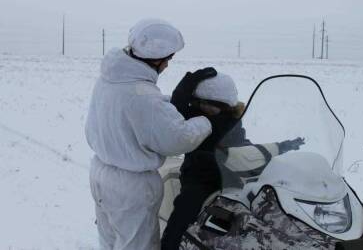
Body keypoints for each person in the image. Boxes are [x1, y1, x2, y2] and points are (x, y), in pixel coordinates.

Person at [85, 18, 217, 250]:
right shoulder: (143, 95)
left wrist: (168, 106)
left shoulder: (110, 78)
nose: (167, 65)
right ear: (155, 57)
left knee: (110, 241)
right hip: (131, 187)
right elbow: (178, 139)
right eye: (168, 58)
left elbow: (136, 113)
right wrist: (206, 121)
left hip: (101, 173)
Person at [161, 72, 305, 250]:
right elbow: (176, 112)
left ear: (227, 106)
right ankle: (170, 245)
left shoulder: (231, 121)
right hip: (200, 179)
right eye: (202, 104)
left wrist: (280, 147)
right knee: (184, 212)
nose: (207, 111)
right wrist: (187, 83)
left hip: (232, 176)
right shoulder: (193, 117)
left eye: (212, 107)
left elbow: (243, 147)